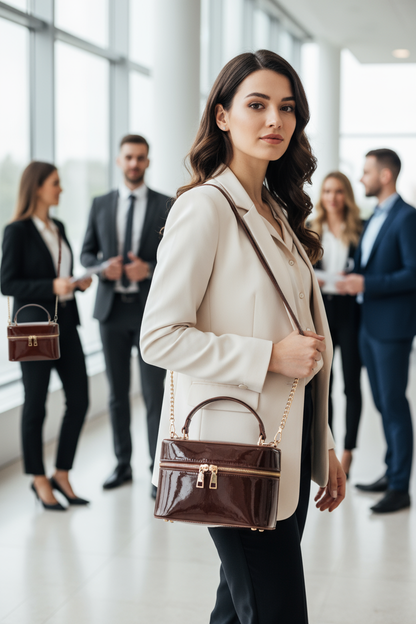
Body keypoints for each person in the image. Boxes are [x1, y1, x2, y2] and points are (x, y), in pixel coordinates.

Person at [140, 50, 346, 624]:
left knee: (238, 605)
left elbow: (302, 339)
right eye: (256, 105)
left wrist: (322, 444)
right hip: (233, 455)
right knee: (276, 610)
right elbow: (158, 337)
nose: (274, 120)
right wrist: (268, 356)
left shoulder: (278, 212)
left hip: (285, 445)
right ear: (223, 116)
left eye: (287, 108)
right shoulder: (205, 207)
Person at [1, 162, 92, 511]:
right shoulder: (17, 231)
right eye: (55, 183)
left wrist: (76, 284)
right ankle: (38, 479)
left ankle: (62, 472)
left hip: (66, 323)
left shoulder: (59, 226)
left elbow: (62, 277)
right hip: (35, 331)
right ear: (37, 187)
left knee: (79, 400)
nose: (61, 189)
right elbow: (7, 283)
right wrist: (50, 286)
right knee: (35, 404)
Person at [81, 134, 169, 495]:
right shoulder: (100, 204)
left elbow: (177, 258)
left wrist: (147, 269)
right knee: (117, 394)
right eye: (129, 157)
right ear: (119, 161)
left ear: (148, 162)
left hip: (151, 313)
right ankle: (122, 465)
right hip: (112, 313)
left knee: (154, 394)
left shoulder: (167, 204)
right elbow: (86, 254)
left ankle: (156, 470)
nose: (134, 163)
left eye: (141, 158)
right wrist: (103, 268)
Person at [337, 148, 416, 513]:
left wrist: (365, 284)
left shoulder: (406, 218)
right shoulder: (373, 218)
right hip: (368, 327)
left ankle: (400, 486)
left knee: (394, 405)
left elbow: (412, 274)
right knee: (383, 404)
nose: (362, 179)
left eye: (366, 172)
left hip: (391, 329)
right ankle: (390, 472)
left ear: (385, 175)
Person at [311, 172, 363, 478]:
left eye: (339, 191)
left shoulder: (358, 230)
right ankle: (325, 450)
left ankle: (348, 451)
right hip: (321, 314)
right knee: (324, 386)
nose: (333, 197)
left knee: (352, 386)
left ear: (347, 196)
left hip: (350, 314)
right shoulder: (310, 230)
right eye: (328, 191)